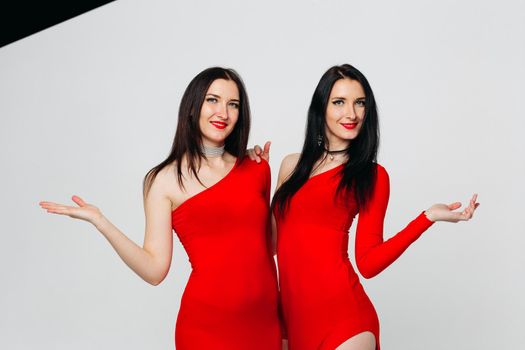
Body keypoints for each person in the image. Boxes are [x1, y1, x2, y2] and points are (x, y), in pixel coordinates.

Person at [39, 67, 282, 349]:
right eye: (212, 100)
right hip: (207, 329)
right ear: (193, 107)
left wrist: (288, 182)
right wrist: (100, 221)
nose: (223, 113)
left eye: (233, 104)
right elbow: (155, 270)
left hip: (264, 323)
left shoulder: (257, 168)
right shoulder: (164, 180)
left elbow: (268, 245)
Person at [250, 64, 479, 350]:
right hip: (291, 321)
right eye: (339, 102)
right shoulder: (290, 166)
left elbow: (368, 264)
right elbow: (269, 244)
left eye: (360, 103)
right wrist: (251, 175)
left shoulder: (371, 175)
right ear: (321, 108)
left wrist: (427, 217)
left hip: (345, 322)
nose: (352, 113)